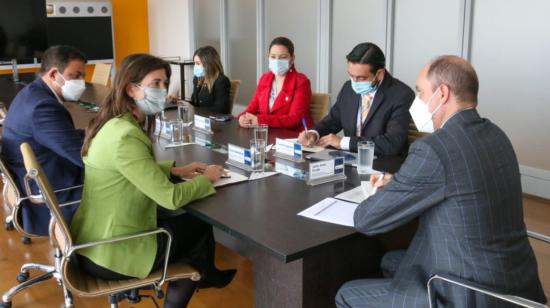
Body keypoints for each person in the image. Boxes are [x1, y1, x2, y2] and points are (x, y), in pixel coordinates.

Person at [335, 55, 546, 307]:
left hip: (469, 292)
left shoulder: (435, 149)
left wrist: (386, 189)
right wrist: (403, 183)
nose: (417, 101)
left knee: (346, 294)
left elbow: (367, 220)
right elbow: (457, 181)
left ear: (442, 93)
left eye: (421, 92)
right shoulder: (496, 134)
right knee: (390, 260)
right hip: (518, 283)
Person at [70, 54, 235, 308]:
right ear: (131, 89)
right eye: (155, 83)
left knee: (190, 227)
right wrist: (208, 179)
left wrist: (176, 171)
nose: (163, 89)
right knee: (198, 228)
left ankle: (206, 274)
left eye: (164, 83)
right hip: (111, 251)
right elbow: (169, 198)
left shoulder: (113, 124)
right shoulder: (126, 136)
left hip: (92, 241)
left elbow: (126, 168)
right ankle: (201, 277)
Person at [1, 45, 86, 235]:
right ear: (55, 74)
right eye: (76, 75)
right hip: (54, 189)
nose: (82, 82)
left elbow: (56, 136)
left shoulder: (32, 93)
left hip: (31, 179)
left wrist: (88, 133)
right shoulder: (43, 107)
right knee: (116, 176)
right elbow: (82, 157)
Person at [297, 42, 413, 155]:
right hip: (350, 160)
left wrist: (343, 142)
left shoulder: (401, 95)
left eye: (361, 78)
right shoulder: (348, 87)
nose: (354, 82)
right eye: (351, 75)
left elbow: (392, 143)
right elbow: (333, 120)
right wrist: (314, 133)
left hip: (383, 164)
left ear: (380, 74)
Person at [238, 36, 313, 131]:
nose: (277, 61)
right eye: (273, 57)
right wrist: (242, 118)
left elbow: (294, 119)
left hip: (292, 138)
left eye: (283, 57)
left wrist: (260, 120)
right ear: (268, 57)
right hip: (267, 134)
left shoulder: (301, 82)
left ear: (292, 58)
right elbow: (252, 108)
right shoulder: (264, 79)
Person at [190, 46, 231, 114]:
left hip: (214, 122)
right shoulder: (197, 79)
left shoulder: (221, 81)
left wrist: (196, 109)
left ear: (208, 64)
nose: (195, 66)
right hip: (200, 120)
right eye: (194, 63)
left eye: (198, 63)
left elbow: (221, 110)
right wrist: (184, 103)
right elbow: (195, 102)